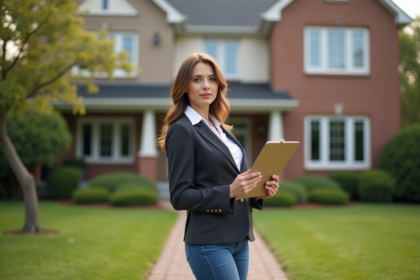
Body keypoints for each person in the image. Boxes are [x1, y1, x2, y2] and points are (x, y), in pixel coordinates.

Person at [158, 53, 280, 280]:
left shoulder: (221, 130)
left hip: (240, 240)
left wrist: (259, 191)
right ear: (184, 86)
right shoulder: (182, 130)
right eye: (197, 79)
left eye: (212, 79)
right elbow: (180, 196)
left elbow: (230, 181)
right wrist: (230, 191)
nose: (206, 86)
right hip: (209, 243)